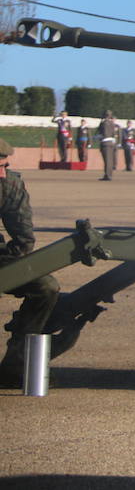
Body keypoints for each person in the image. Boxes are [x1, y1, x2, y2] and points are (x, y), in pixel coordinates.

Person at [0, 138, 61, 388]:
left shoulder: (9, 184)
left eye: (5, 165)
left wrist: (12, 269)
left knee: (46, 287)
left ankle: (16, 363)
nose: (1, 173)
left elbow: (23, 237)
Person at [96, 111, 120, 180]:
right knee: (110, 160)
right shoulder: (112, 123)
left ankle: (107, 175)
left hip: (105, 143)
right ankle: (109, 174)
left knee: (107, 160)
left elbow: (103, 133)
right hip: (111, 143)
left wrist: (98, 136)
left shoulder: (104, 123)